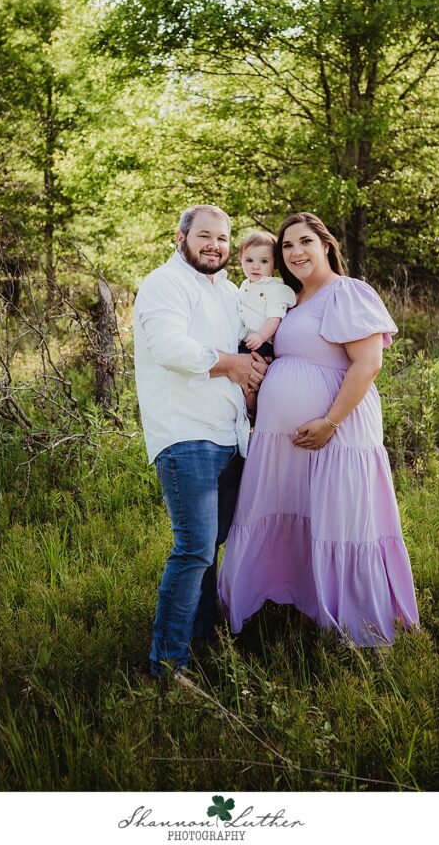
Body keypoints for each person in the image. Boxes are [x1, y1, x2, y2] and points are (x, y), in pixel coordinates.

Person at [218, 212, 420, 647]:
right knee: (301, 517)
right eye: (287, 246)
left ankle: (354, 625)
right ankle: (301, 610)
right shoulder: (291, 300)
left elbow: (368, 364)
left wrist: (330, 422)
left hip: (337, 434)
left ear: (326, 245)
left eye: (305, 241)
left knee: (338, 522)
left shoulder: (347, 292)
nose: (296, 252)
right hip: (283, 442)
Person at [133, 204, 268, 677]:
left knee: (211, 548)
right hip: (186, 435)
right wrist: (233, 365)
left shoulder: (229, 291)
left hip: (230, 436)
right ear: (181, 238)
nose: (214, 245)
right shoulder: (164, 284)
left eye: (222, 238)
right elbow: (169, 348)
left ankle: (206, 641)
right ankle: (167, 665)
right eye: (205, 236)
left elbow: (249, 346)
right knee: (193, 549)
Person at [237, 231, 296, 360]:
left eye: (264, 261)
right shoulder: (244, 285)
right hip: (243, 341)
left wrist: (261, 336)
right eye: (249, 260)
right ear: (241, 259)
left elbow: (274, 318)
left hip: (262, 343)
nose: (255, 266)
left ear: (275, 264)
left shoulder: (276, 288)